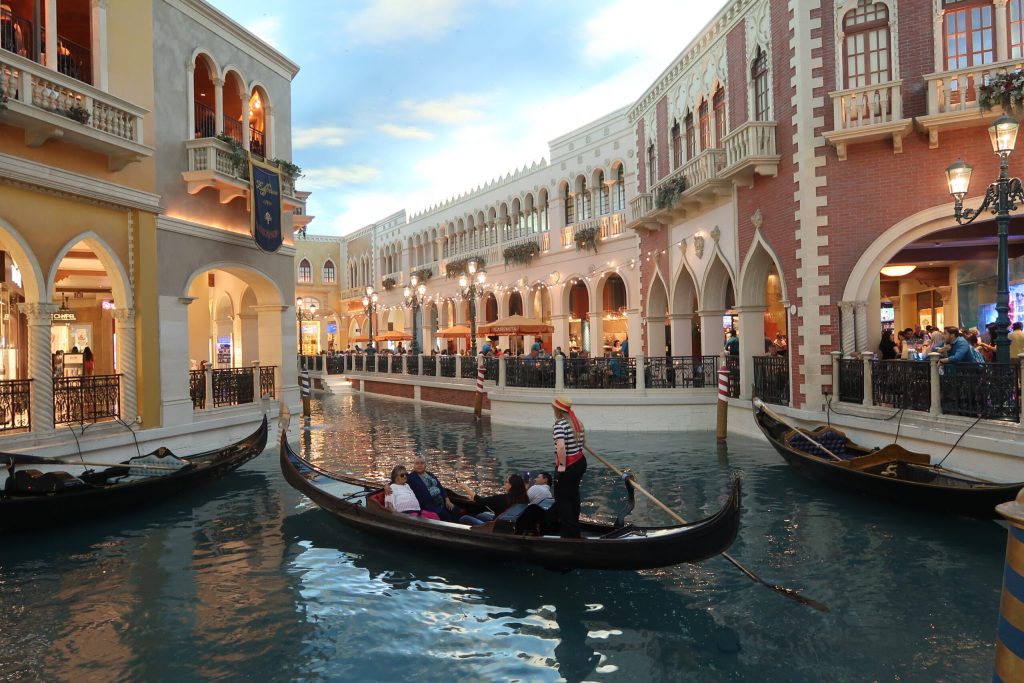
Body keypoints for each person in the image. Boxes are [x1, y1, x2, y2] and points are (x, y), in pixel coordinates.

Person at [551, 395, 587, 538]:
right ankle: (574, 527)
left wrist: (561, 466)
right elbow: (581, 444)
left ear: (557, 410)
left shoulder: (560, 425)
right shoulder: (577, 423)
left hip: (569, 465)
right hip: (580, 462)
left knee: (562, 499)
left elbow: (561, 448)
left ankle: (569, 532)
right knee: (573, 495)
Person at [459, 473, 529, 526]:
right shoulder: (524, 498)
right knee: (481, 515)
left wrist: (466, 488)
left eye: (506, 482)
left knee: (464, 518)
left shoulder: (502, 498)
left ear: (511, 485)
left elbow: (480, 501)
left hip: (495, 527)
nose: (505, 483)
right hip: (510, 525)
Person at [406, 455, 460, 521]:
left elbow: (440, 487)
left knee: (456, 509)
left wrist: (447, 500)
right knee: (445, 514)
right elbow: (399, 480)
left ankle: (458, 526)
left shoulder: (430, 474)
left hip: (442, 502)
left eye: (422, 463)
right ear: (414, 465)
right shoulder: (411, 478)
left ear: (425, 465)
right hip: (429, 506)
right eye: (417, 463)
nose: (419, 465)